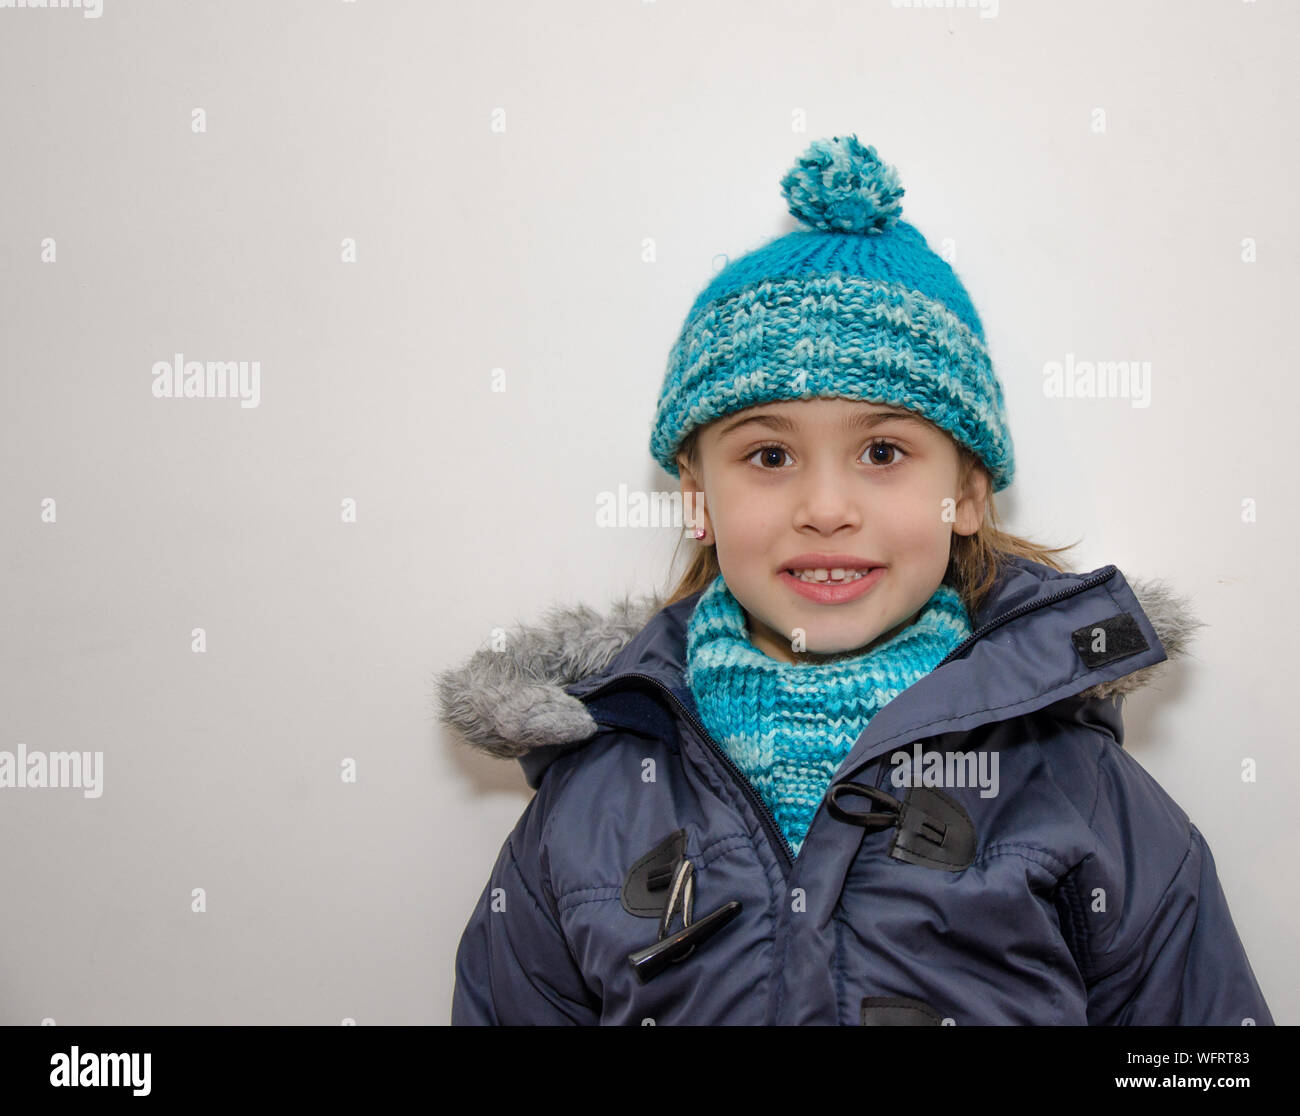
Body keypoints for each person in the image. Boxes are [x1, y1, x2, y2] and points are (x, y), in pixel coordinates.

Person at [438, 135, 1274, 1025]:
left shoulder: (1075, 789)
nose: (826, 506)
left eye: (882, 452)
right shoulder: (593, 802)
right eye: (769, 455)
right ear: (699, 500)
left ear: (967, 493)